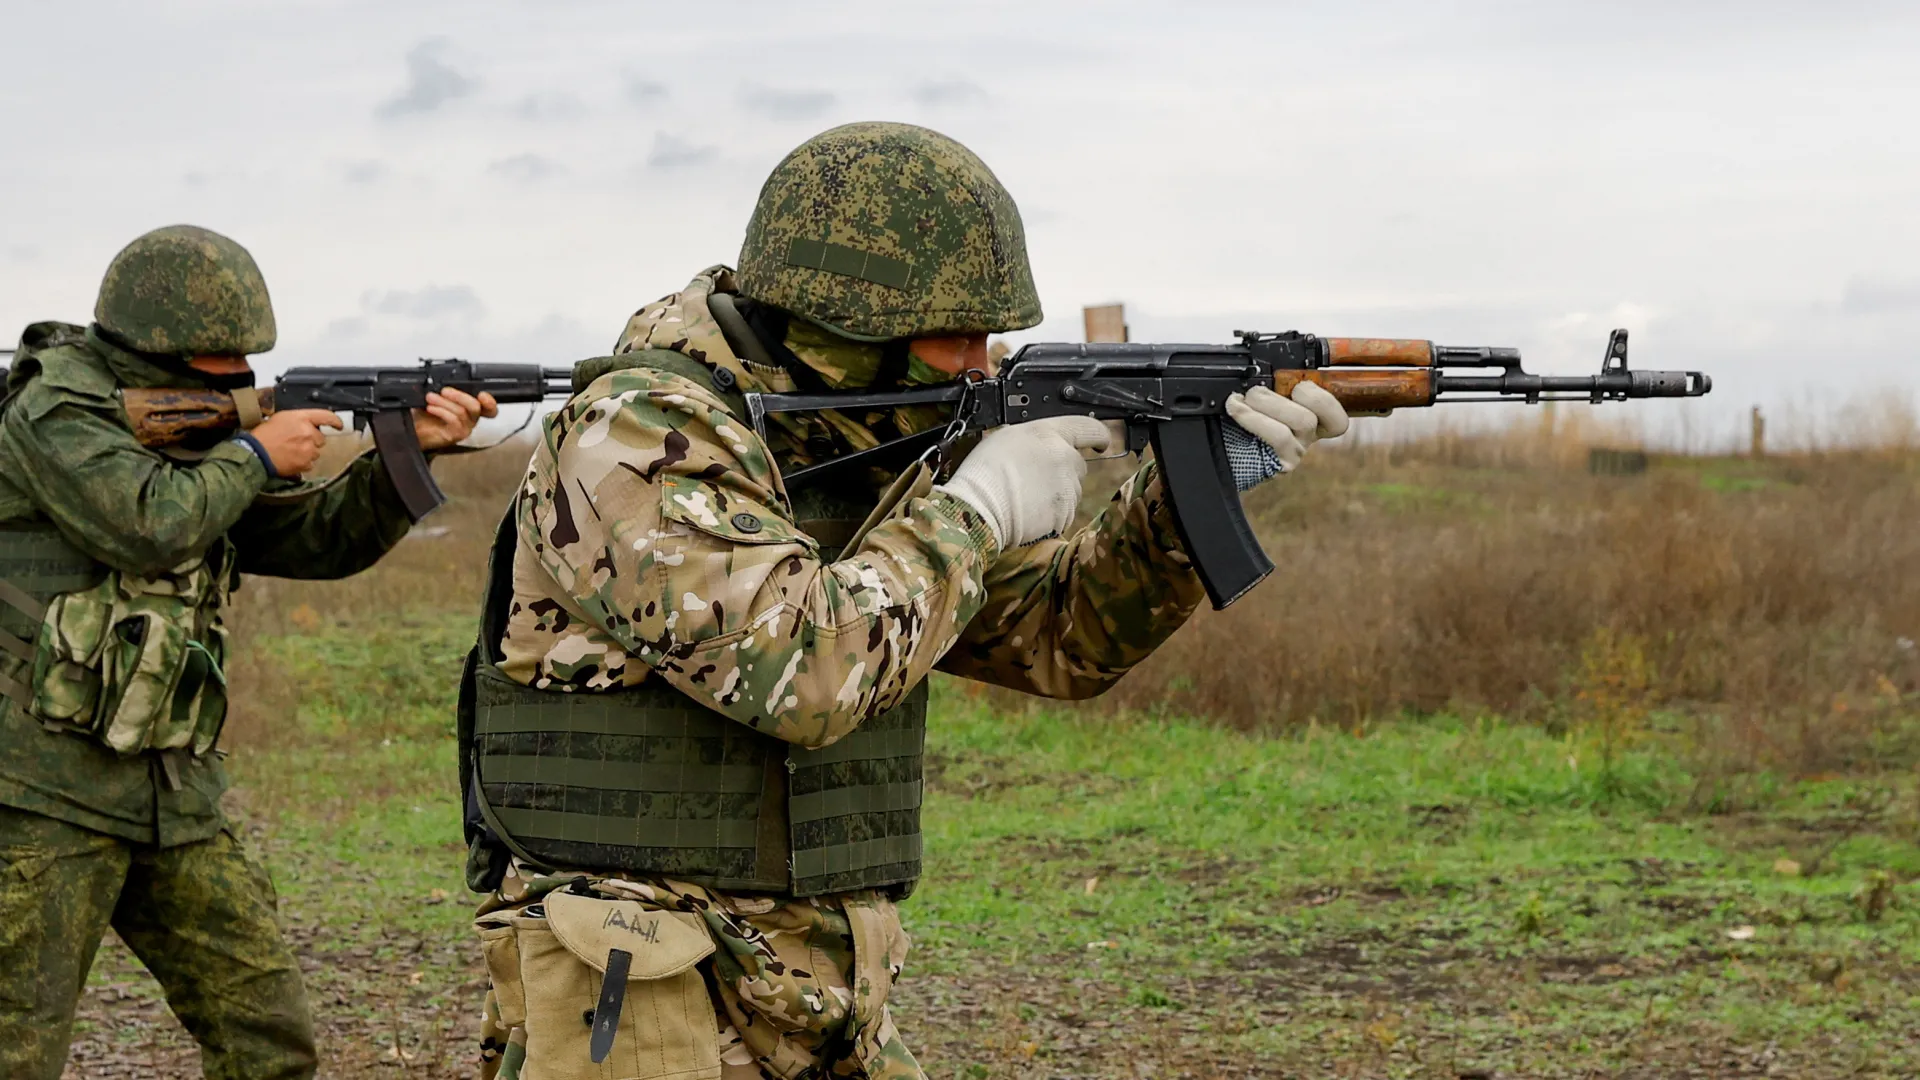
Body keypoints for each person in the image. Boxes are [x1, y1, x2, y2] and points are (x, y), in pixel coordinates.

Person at [459, 122, 1348, 1080]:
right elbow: (804, 673)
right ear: (839, 326)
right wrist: (975, 510)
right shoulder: (635, 437)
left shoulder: (863, 436)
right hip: (644, 992)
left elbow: (1056, 636)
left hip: (817, 991)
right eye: (954, 334)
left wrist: (1186, 495)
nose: (981, 361)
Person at [0, 224, 496, 1080]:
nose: (241, 381)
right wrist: (254, 454)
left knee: (268, 1040)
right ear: (155, 356)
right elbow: (149, 525)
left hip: (171, 791)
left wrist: (402, 457)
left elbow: (309, 543)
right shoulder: (53, 413)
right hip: (42, 793)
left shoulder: (199, 450)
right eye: (220, 365)